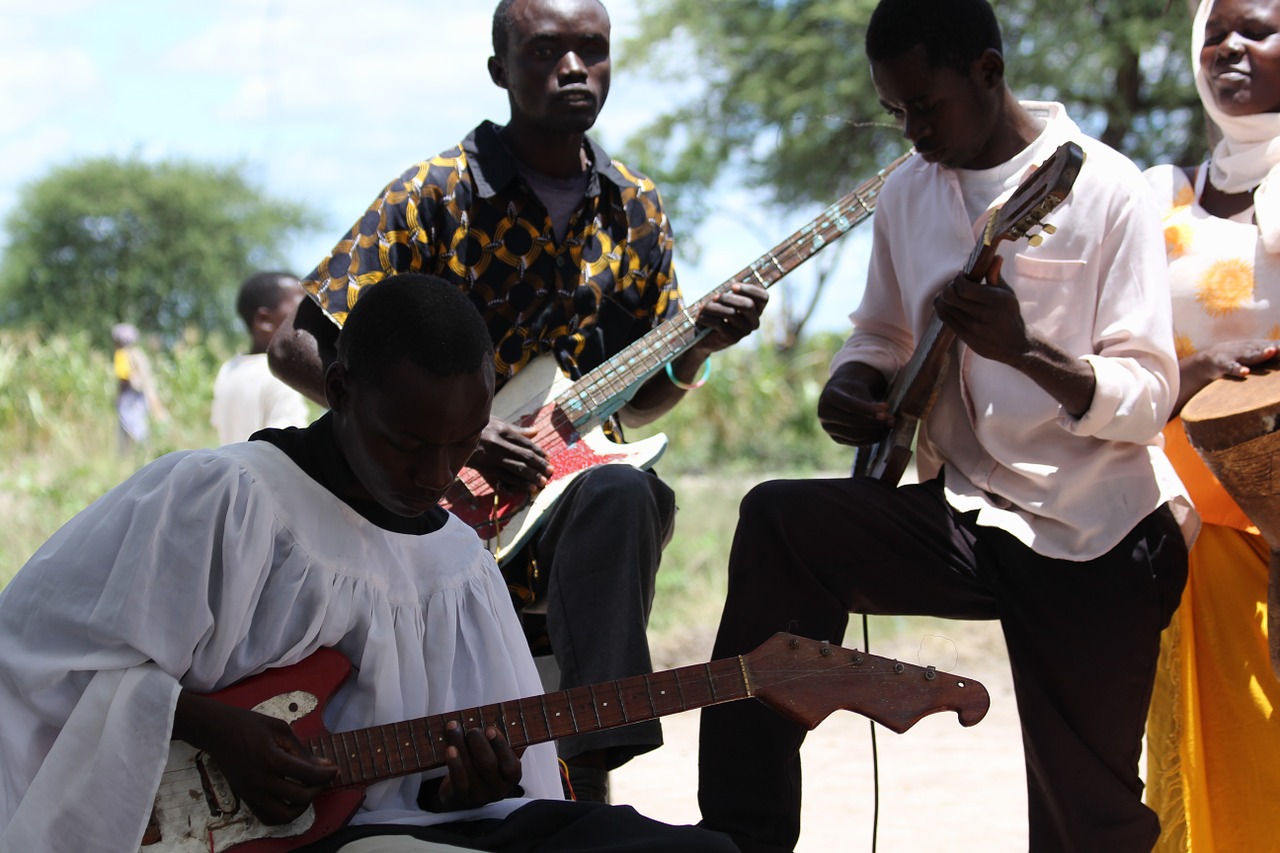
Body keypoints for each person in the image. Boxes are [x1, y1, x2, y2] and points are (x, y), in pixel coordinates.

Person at [694, 1, 1198, 851]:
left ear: (989, 74)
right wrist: (851, 386)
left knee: (1091, 819)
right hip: (960, 509)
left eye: (926, 107)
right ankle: (737, 836)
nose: (914, 131)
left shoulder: (1107, 187)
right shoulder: (907, 193)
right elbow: (882, 336)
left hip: (1094, 527)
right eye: (896, 112)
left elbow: (1150, 393)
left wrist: (1027, 350)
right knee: (781, 522)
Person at [0, 273, 736, 853]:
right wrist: (206, 724)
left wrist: (463, 789)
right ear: (344, 390)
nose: (437, 474)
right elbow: (33, 655)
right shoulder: (221, 497)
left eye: (462, 444)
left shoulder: (455, 563)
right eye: (409, 444)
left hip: (386, 834)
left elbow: (428, 796)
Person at [267, 0, 768, 802]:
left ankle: (598, 746)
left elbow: (632, 414)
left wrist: (698, 344)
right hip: (428, 511)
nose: (573, 68)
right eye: (544, 51)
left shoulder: (634, 209)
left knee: (625, 490)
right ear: (501, 70)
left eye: (592, 50)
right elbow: (300, 343)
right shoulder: (436, 194)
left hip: (566, 521)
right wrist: (456, 436)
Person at [1141, 1, 1280, 849]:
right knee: (1182, 749)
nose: (1231, 45)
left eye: (1258, 28)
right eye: (1216, 31)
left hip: (1270, 520)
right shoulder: (1164, 194)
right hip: (1174, 518)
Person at [211, 270, 310, 444]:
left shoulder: (229, 368)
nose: (310, 319)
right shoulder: (283, 375)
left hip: (233, 471)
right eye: (302, 309)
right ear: (264, 319)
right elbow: (285, 450)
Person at [111, 321, 167, 452]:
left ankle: (131, 458)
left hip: (129, 399)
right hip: (142, 399)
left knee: (129, 430)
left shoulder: (121, 355)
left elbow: (123, 379)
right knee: (141, 429)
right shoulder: (139, 353)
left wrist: (117, 397)